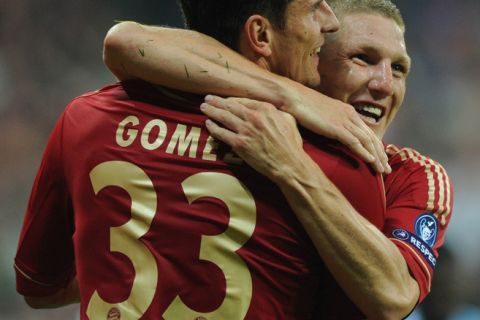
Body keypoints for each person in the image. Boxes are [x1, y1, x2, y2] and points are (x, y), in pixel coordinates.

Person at [14, 1, 397, 319]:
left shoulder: (86, 120)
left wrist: (151, 265)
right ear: (261, 35)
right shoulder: (334, 158)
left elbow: (39, 287)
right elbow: (373, 302)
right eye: (314, 8)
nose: (329, 22)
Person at [102, 0, 454, 317]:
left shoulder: (410, 175)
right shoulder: (234, 135)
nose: (384, 85)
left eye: (399, 69)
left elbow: (393, 297)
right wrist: (292, 96)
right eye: (362, 58)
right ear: (314, 59)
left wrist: (293, 166)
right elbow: (125, 42)